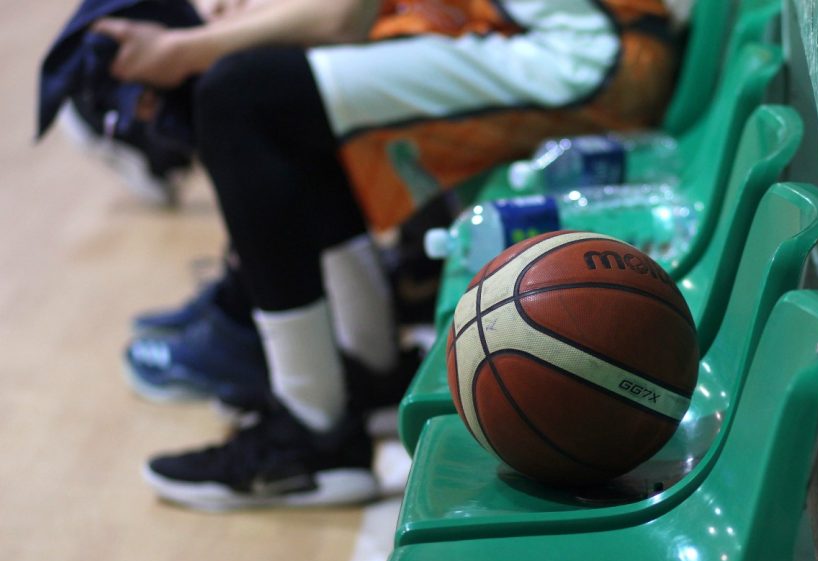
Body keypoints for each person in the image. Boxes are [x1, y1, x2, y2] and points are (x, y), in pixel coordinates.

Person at [94, 0, 684, 510]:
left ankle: (311, 435)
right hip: (583, 42)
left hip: (587, 59)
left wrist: (180, 50)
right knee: (276, 92)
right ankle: (369, 373)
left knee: (239, 95)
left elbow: (340, 17)